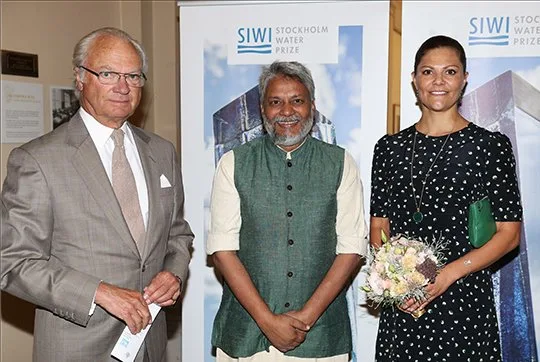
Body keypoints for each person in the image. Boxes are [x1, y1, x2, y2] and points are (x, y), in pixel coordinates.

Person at [0, 27, 194, 362]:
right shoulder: (38, 160)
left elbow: (178, 234)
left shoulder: (162, 152)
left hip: (151, 345)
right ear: (80, 78)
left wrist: (173, 272)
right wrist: (99, 293)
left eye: (133, 75)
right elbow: (13, 262)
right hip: (77, 348)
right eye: (108, 73)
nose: (123, 86)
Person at [369, 35, 522, 361]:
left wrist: (447, 275)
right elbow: (379, 226)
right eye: (428, 72)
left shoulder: (489, 146)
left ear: (464, 79)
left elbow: (509, 234)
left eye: (450, 72)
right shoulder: (388, 149)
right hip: (407, 307)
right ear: (414, 79)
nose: (438, 81)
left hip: (464, 303)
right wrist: (399, 286)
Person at [206, 60, 368, 362]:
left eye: (297, 101)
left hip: (322, 338)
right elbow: (222, 250)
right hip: (246, 336)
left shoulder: (340, 163)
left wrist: (306, 318)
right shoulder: (233, 164)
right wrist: (268, 321)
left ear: (313, 106)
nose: (287, 111)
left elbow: (352, 248)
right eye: (276, 102)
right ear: (262, 109)